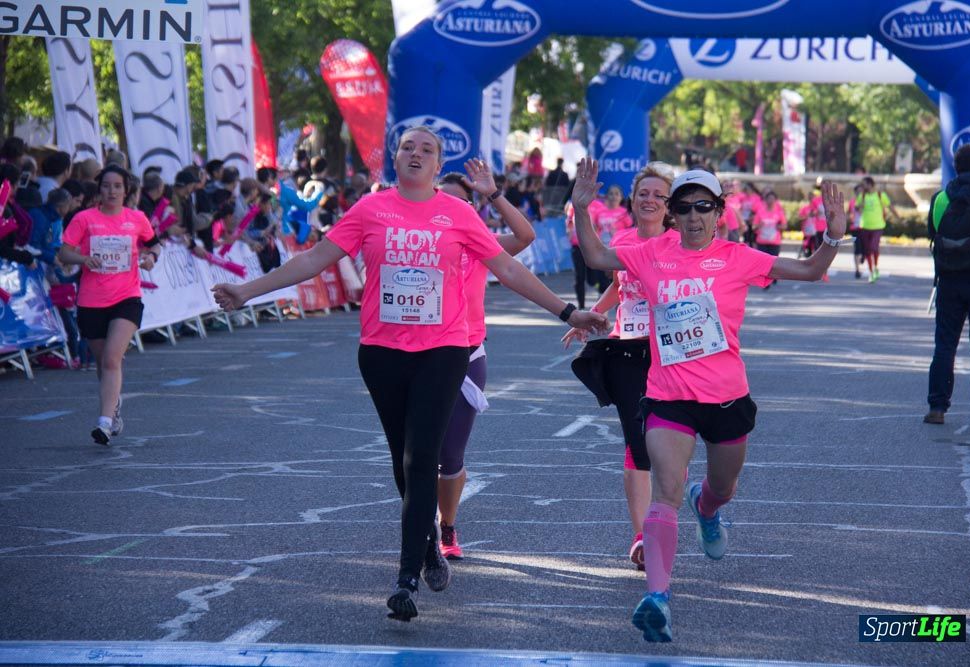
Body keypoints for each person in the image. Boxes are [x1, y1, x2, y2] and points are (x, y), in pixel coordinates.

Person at [211, 127, 607, 623]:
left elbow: (508, 269)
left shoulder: (458, 213)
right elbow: (313, 259)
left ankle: (405, 580)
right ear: (394, 161)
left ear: (438, 166)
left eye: (427, 149)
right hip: (382, 353)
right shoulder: (370, 210)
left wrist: (568, 312)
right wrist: (248, 291)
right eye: (407, 148)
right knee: (403, 462)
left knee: (423, 459)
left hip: (444, 351)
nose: (416, 154)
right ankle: (427, 543)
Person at [571, 160, 847, 643]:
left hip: (725, 396)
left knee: (722, 486)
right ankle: (657, 597)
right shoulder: (650, 252)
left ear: (719, 212)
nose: (693, 216)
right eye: (684, 207)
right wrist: (580, 208)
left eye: (703, 206)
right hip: (668, 395)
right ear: (673, 214)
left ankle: (709, 506)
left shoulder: (738, 257)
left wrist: (833, 236)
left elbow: (809, 269)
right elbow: (595, 255)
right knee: (665, 491)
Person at [561, 162, 676, 571]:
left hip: (670, 354)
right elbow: (617, 285)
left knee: (669, 445)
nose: (649, 200)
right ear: (633, 199)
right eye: (643, 193)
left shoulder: (680, 243)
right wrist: (591, 316)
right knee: (635, 440)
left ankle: (671, 515)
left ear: (670, 205)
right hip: (627, 350)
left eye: (658, 195)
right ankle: (643, 535)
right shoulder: (623, 239)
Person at [434, 159, 536, 560]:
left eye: (461, 201)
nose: (451, 206)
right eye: (443, 198)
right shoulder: (418, 241)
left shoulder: (480, 243)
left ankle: (447, 525)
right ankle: (419, 530)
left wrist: (493, 194)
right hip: (419, 357)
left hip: (467, 355)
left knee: (450, 457)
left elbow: (525, 236)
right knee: (418, 454)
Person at [58, 165, 162, 445]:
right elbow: (64, 252)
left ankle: (104, 423)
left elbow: (155, 244)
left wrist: (151, 258)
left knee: (112, 358)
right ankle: (113, 406)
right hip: (91, 300)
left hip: (127, 297)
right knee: (104, 362)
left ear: (126, 190)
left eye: (117, 186)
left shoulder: (137, 218)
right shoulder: (84, 219)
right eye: (106, 186)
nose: (112, 191)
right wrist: (84, 259)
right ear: (99, 189)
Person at [924, 144, 970, 427]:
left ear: (956, 167)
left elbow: (932, 233)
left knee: (945, 345)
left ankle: (937, 408)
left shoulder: (940, 199)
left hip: (948, 282)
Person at [858, 176, 898, 283]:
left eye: (864, 184)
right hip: (864, 226)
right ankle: (871, 272)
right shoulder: (862, 196)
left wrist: (897, 216)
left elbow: (889, 206)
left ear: (870, 184)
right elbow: (858, 210)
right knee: (867, 250)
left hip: (878, 226)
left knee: (874, 247)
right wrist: (860, 205)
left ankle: (875, 267)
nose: (862, 187)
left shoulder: (880, 195)